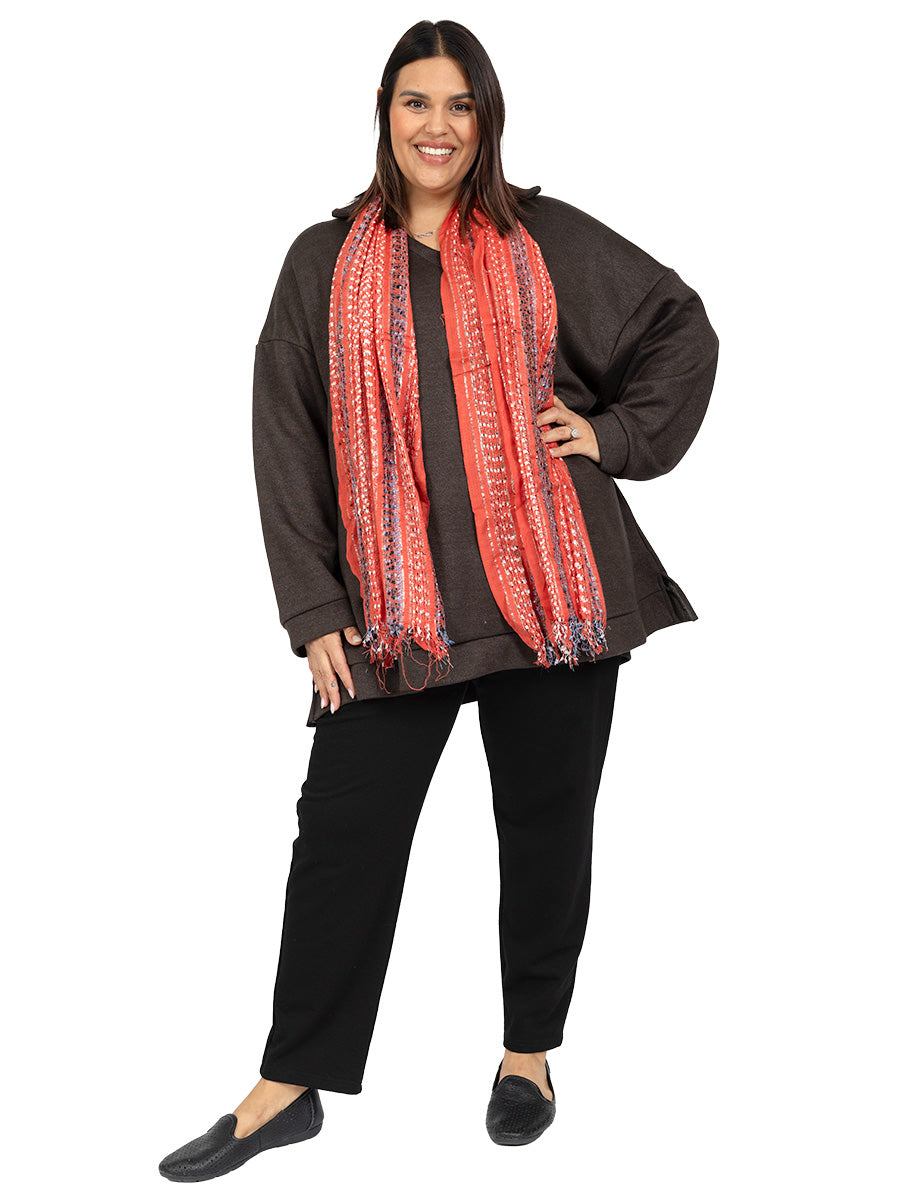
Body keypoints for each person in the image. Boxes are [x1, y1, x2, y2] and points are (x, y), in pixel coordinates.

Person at [159, 18, 718, 1181]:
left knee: (548, 828)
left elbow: (679, 324)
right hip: (394, 612)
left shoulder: (544, 238)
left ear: (486, 120)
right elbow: (284, 433)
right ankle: (290, 1084)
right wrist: (314, 610)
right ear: (385, 114)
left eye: (460, 104)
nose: (437, 125)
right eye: (416, 101)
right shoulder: (323, 262)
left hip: (556, 594)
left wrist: (610, 436)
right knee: (343, 833)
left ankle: (527, 1057)